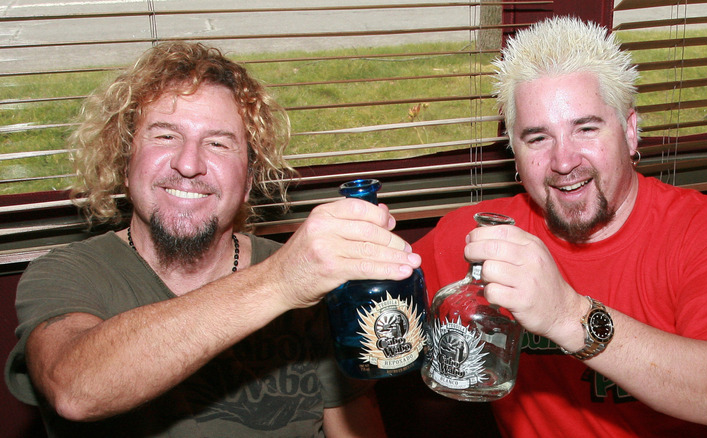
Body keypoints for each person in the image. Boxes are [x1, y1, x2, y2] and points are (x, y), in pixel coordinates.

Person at [5, 41, 421, 437]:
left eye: (219, 144)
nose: (189, 164)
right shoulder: (67, 274)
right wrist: (281, 281)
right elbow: (75, 389)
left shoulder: (314, 287)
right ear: (124, 159)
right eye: (165, 135)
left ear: (248, 180)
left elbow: (356, 426)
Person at [413, 16, 707, 437]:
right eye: (537, 138)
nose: (564, 161)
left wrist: (567, 315)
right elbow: (356, 306)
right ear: (515, 154)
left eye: (585, 128)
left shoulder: (706, 232)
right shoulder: (479, 239)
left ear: (631, 132)